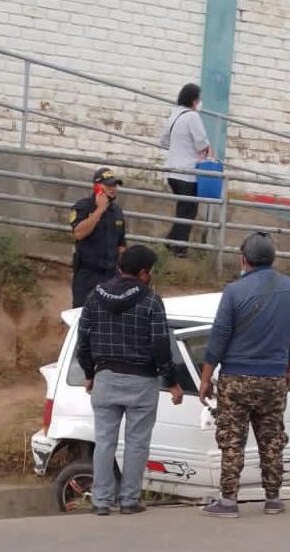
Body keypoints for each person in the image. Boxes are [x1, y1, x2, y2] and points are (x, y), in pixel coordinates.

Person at [198, 232, 290, 518]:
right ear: (273, 258)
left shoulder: (234, 291)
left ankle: (229, 501)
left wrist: (206, 378)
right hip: (273, 379)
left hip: (237, 378)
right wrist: (288, 369)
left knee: (232, 440)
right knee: (271, 439)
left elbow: (218, 338)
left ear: (244, 259)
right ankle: (273, 499)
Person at [76, 245, 184, 516]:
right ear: (144, 273)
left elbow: (83, 342)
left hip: (105, 377)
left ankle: (100, 501)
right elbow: (161, 346)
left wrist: (90, 374)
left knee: (104, 442)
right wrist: (171, 382)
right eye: (152, 272)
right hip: (142, 381)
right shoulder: (151, 300)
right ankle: (129, 500)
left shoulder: (94, 297)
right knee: (136, 443)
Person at [159, 83, 212, 258]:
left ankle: (171, 241)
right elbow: (202, 143)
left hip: (172, 171)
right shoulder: (192, 117)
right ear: (194, 100)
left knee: (183, 210)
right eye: (199, 98)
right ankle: (179, 249)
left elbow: (164, 142)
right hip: (187, 173)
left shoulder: (174, 115)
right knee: (188, 212)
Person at [69, 167, 126, 308]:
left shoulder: (117, 211)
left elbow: (121, 244)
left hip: (110, 276)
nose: (113, 189)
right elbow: (78, 233)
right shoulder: (83, 207)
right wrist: (99, 210)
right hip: (88, 275)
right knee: (82, 314)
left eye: (115, 185)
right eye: (109, 185)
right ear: (97, 187)